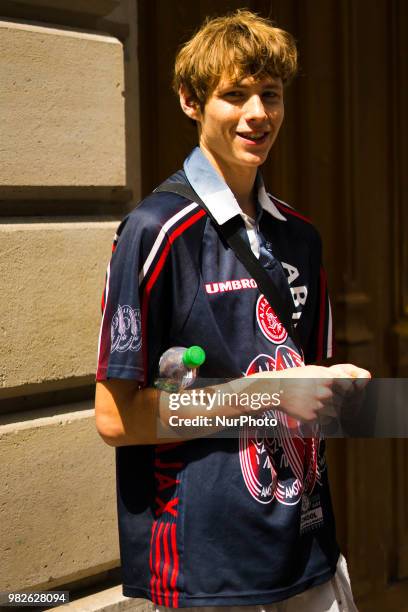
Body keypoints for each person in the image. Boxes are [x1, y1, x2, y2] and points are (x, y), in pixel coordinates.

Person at [95, 9, 370, 611]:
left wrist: (342, 397)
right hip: (209, 573)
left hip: (309, 553)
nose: (258, 114)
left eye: (270, 95)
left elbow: (307, 400)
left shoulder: (301, 236)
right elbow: (116, 420)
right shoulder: (154, 231)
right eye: (234, 95)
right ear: (191, 102)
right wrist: (268, 394)